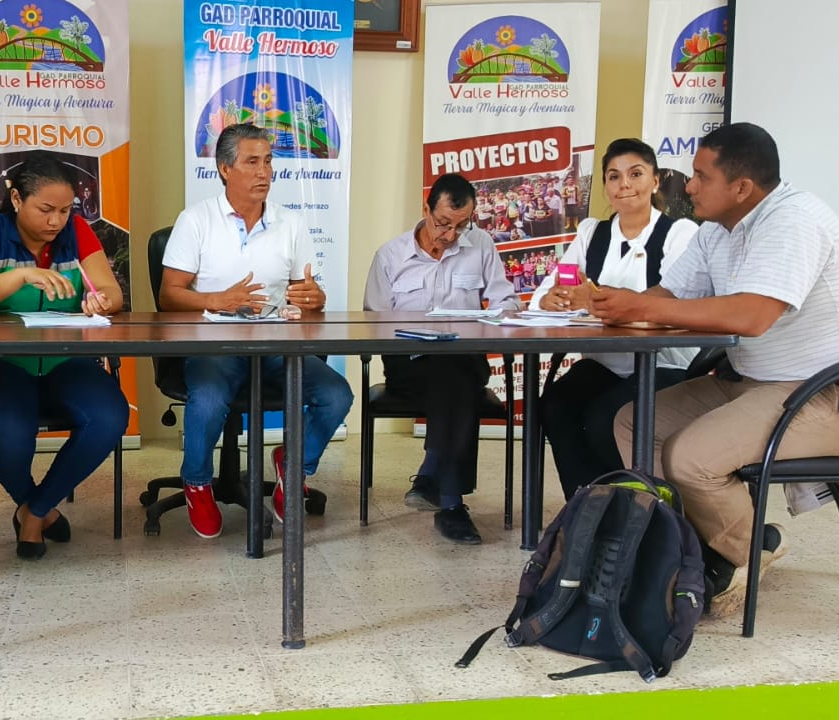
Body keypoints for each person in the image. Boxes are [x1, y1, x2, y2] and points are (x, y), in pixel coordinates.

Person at [592, 123, 839, 616]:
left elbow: (752, 316)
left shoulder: (793, 220)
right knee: (635, 421)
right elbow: (667, 298)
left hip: (837, 397)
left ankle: (748, 550)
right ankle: (685, 549)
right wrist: (601, 302)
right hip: (757, 382)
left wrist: (640, 307)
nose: (688, 186)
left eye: (701, 176)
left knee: (690, 457)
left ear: (741, 188)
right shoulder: (716, 230)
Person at [160, 122, 354, 538]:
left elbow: (307, 292)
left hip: (276, 344)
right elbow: (169, 295)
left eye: (268, 161)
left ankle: (294, 465)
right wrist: (217, 300)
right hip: (215, 344)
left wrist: (314, 297)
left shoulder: (291, 223)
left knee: (337, 394)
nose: (264, 172)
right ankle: (197, 482)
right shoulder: (196, 220)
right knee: (208, 399)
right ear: (225, 168)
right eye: (252, 162)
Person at [0, 152, 129, 560]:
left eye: (64, 211)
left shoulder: (78, 232)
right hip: (2, 362)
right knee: (8, 436)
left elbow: (112, 293)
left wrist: (100, 301)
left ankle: (36, 511)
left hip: (66, 360)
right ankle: (37, 506)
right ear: (16, 199)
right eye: (45, 210)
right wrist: (19, 276)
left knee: (110, 416)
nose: (56, 221)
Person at [531, 138, 700, 500]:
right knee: (557, 405)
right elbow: (548, 292)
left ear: (655, 181)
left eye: (635, 174)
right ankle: (586, 506)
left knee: (604, 419)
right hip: (606, 363)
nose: (624, 184)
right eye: (614, 176)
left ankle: (635, 506)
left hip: (664, 364)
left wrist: (593, 299)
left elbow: (672, 303)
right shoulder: (591, 233)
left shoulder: (680, 233)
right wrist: (551, 298)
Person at [364, 173, 522, 543]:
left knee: (455, 372)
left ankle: (432, 476)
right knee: (454, 382)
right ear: (426, 209)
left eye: (461, 225)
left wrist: (499, 316)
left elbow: (507, 301)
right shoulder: (390, 256)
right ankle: (450, 504)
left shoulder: (481, 245)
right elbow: (373, 322)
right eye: (443, 223)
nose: (451, 235)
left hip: (464, 358)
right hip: (409, 363)